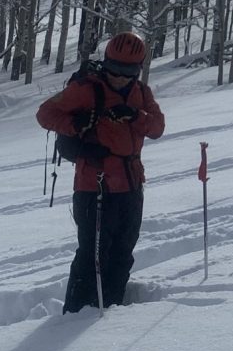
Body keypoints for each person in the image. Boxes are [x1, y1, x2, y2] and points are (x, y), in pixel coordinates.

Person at [37, 31, 166, 312]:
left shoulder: (141, 93)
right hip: (93, 185)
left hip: (131, 184)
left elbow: (157, 128)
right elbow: (45, 114)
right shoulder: (86, 89)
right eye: (114, 68)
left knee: (123, 251)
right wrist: (77, 125)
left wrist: (135, 116)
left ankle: (112, 308)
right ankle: (75, 315)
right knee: (92, 256)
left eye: (128, 70)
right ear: (106, 62)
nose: (119, 76)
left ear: (138, 69)